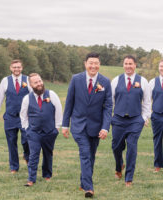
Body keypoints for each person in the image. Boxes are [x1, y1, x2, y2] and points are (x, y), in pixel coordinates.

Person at [62, 52, 112, 198]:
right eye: (90, 63)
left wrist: (105, 127)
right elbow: (69, 103)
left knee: (90, 156)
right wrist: (65, 125)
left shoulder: (105, 82)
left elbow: (108, 107)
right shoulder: (76, 79)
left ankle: (83, 182)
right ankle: (89, 188)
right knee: (85, 153)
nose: (93, 66)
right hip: (78, 125)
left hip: (96, 127)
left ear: (99, 65)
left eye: (96, 63)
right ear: (85, 64)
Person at [111, 55, 151, 187]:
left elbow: (147, 103)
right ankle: (119, 166)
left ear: (135, 65)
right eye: (126, 63)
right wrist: (110, 117)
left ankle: (129, 178)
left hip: (135, 121)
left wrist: (144, 118)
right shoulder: (116, 81)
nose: (128, 66)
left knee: (132, 147)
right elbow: (110, 102)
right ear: (123, 65)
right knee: (116, 147)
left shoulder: (143, 81)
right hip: (118, 119)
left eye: (131, 64)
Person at [20, 73, 62, 187]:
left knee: (48, 153)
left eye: (40, 81)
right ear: (30, 84)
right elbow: (23, 115)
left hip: (50, 131)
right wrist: (27, 128)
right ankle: (31, 179)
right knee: (34, 154)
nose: (39, 84)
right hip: (33, 132)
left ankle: (47, 175)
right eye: (36, 82)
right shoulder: (27, 98)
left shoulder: (51, 94)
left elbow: (58, 110)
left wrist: (57, 128)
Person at [0, 59, 30, 174]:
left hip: (25, 117)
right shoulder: (5, 81)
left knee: (26, 140)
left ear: (22, 68)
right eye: (14, 67)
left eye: (18, 67)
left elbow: (33, 96)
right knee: (11, 142)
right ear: (10, 68)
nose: (16, 69)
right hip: (10, 117)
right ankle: (14, 167)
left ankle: (28, 158)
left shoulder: (27, 80)